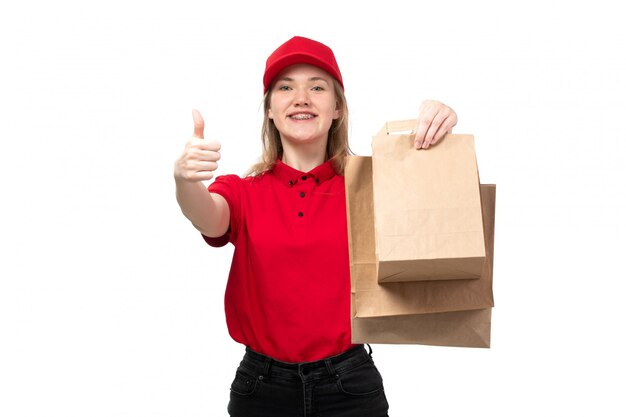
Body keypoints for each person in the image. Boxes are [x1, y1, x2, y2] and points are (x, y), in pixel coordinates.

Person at [174, 36, 458, 417]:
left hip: (350, 383)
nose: (301, 97)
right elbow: (207, 214)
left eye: (317, 87)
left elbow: (437, 214)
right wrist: (185, 180)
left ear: (337, 107)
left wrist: (435, 133)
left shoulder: (370, 187)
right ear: (270, 110)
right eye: (286, 87)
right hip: (261, 387)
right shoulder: (242, 191)